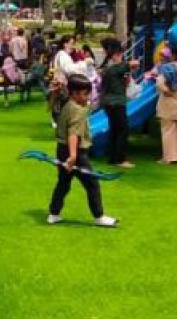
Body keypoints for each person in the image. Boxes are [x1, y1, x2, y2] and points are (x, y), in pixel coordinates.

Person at [47, 75, 118, 228]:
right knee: (92, 183)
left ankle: (53, 214)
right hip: (76, 152)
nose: (87, 97)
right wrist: (73, 156)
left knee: (63, 183)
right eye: (85, 94)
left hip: (61, 149)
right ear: (74, 93)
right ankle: (99, 216)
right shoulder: (77, 110)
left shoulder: (66, 102)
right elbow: (73, 134)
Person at [98, 39, 136, 169]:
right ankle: (120, 158)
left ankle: (113, 157)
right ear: (115, 54)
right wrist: (130, 65)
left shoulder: (108, 68)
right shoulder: (113, 68)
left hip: (109, 102)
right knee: (122, 129)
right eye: (120, 54)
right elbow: (127, 65)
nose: (121, 57)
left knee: (114, 129)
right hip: (116, 102)